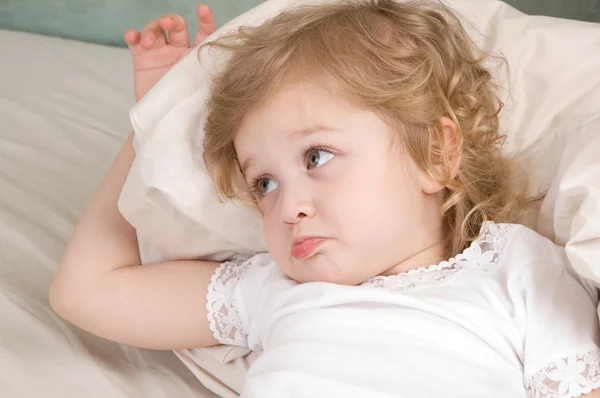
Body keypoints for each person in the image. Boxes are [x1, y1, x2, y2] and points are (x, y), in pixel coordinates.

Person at [50, 1, 600, 397]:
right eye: (263, 183)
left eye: (317, 157)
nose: (289, 207)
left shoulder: (520, 269)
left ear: (436, 153)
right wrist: (149, 130)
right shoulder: (275, 286)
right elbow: (85, 292)